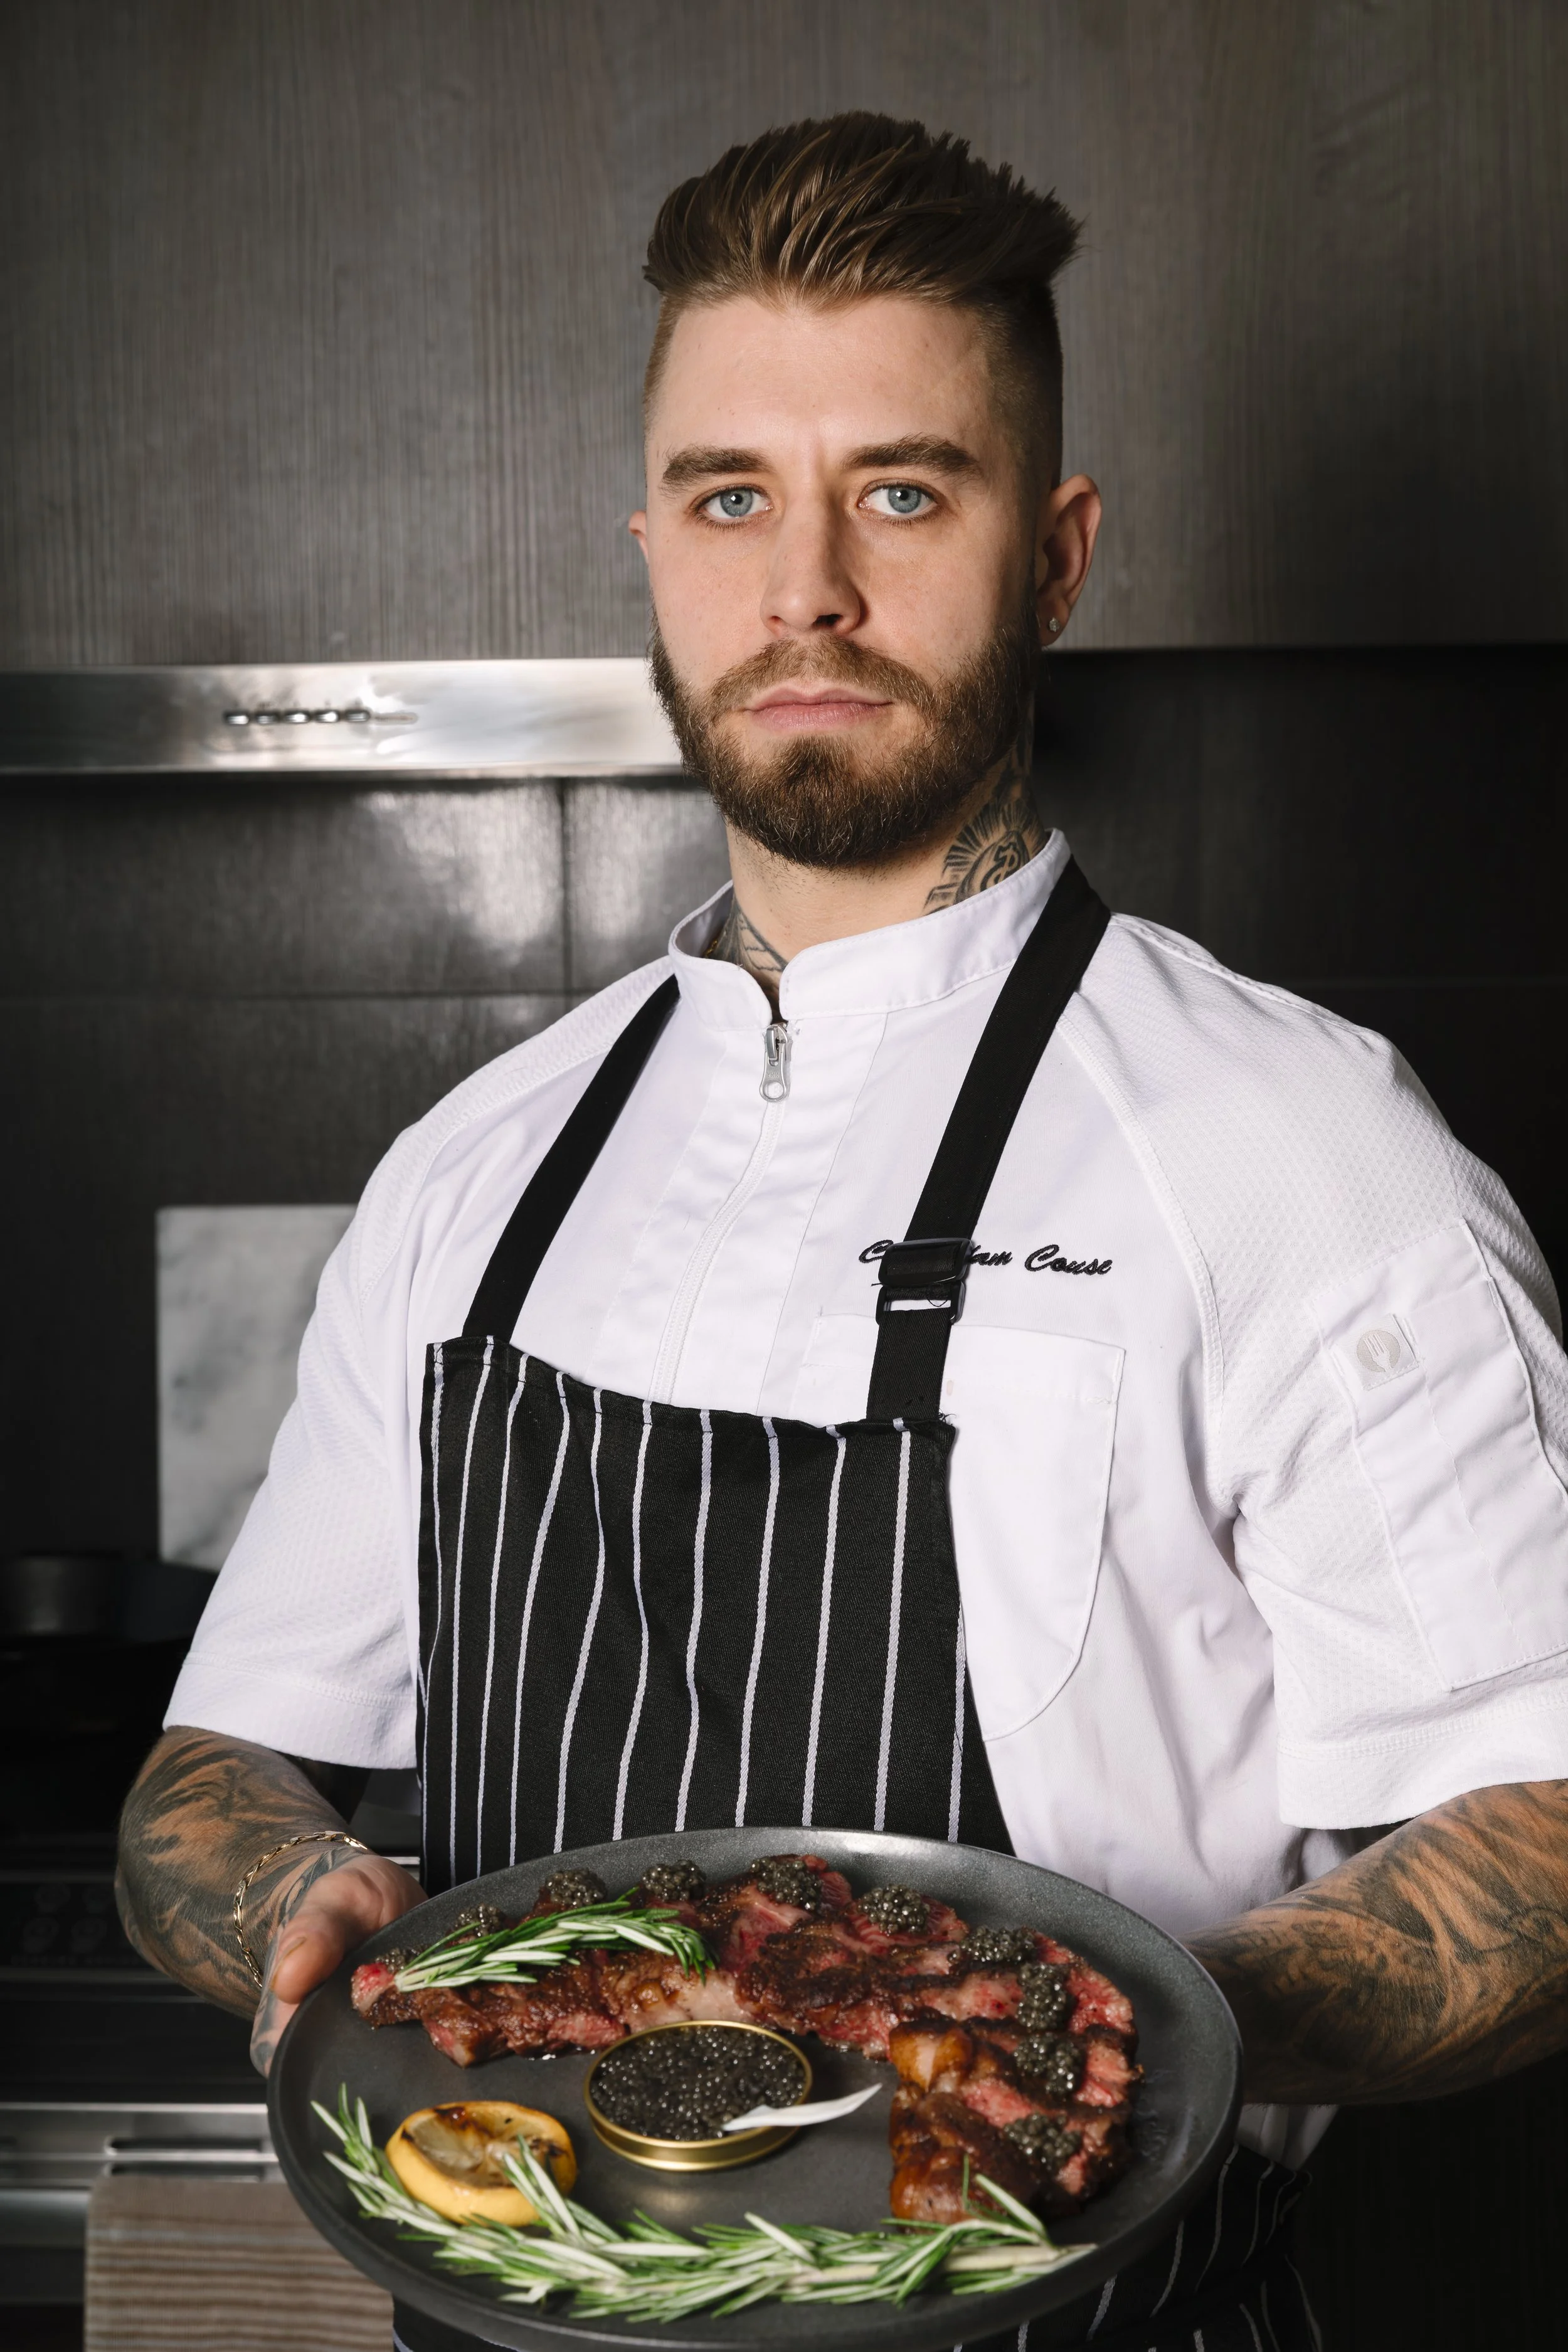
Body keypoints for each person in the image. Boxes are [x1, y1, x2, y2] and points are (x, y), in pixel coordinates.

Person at [117, 115, 1568, 2351]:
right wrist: (295, 1899)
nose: (805, 587)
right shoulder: (475, 1169)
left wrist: (1089, 2021)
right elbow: (217, 1775)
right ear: (652, 550)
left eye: (903, 489)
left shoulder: (1298, 1146)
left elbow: (1536, 1834)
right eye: (729, 498)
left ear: (1058, 550)